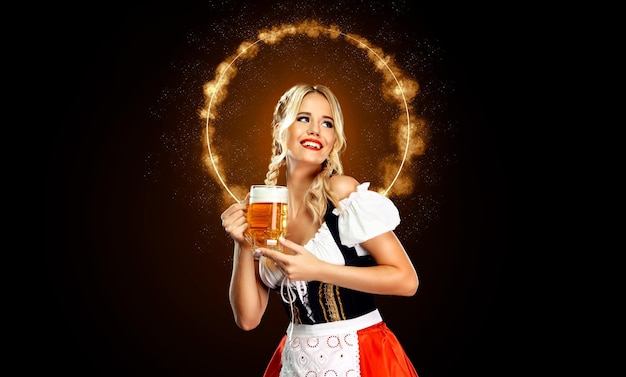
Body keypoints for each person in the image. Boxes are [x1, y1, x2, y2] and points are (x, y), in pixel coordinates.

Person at [220, 83, 419, 377]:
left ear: (334, 138)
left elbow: (406, 281)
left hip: (362, 354)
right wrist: (242, 243)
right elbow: (248, 319)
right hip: (296, 360)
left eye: (327, 123)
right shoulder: (268, 209)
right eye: (303, 118)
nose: (316, 130)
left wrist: (318, 269)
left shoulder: (342, 194)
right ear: (278, 129)